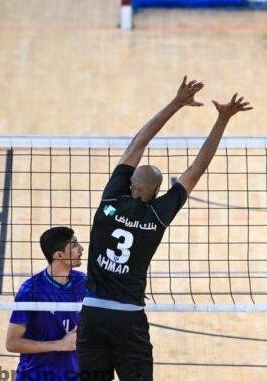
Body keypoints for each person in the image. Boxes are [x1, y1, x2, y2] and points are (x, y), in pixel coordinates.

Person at [77, 77, 251, 380]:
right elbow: (197, 168)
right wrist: (222, 119)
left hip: (93, 313)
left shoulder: (111, 199)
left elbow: (138, 143)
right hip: (129, 319)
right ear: (157, 192)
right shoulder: (157, 215)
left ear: (130, 183)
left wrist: (176, 103)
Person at [5, 227, 86, 380]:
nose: (81, 249)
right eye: (75, 245)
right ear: (59, 255)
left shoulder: (83, 282)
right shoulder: (30, 290)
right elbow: (12, 343)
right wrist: (60, 345)